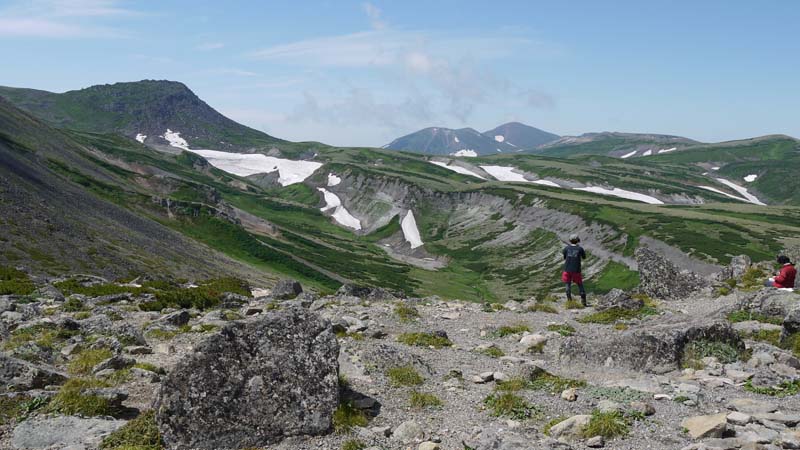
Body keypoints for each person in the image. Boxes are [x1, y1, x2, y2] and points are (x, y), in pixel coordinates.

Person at [562, 234, 587, 306]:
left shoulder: (566, 248)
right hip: (576, 270)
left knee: (567, 284)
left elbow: (564, 257)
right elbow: (584, 257)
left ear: (570, 240)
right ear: (577, 240)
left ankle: (569, 301)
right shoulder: (580, 249)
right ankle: (583, 302)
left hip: (567, 269)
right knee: (580, 284)